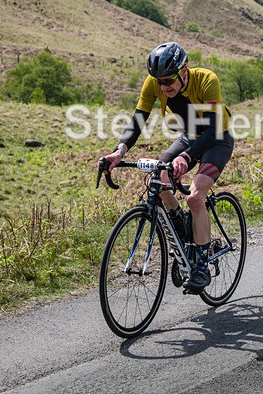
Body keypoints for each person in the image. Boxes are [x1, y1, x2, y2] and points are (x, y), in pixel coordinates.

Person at [100, 42, 234, 294]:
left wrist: (186, 156)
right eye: (159, 81)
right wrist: (119, 151)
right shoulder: (154, 84)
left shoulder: (207, 80)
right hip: (189, 136)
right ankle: (182, 232)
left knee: (195, 197)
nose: (163, 87)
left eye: (168, 80)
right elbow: (138, 120)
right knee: (158, 179)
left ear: (184, 70)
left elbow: (211, 129)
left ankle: (202, 267)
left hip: (217, 138)